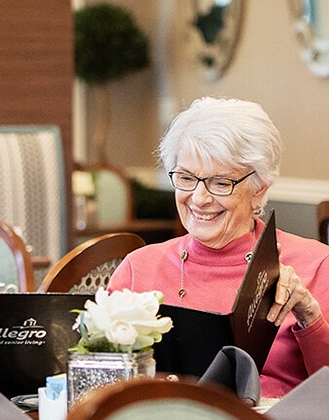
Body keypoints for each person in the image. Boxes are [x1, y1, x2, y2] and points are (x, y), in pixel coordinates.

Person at [108, 96, 329, 398]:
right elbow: (105, 378)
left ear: (259, 188)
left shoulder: (316, 265)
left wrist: (309, 316)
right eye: (186, 178)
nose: (199, 198)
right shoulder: (138, 268)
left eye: (221, 183)